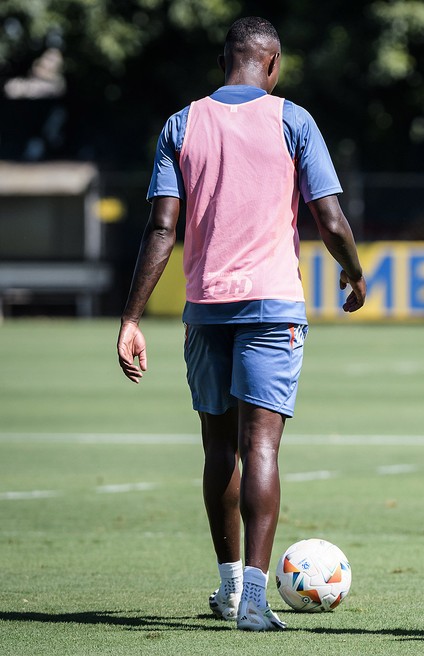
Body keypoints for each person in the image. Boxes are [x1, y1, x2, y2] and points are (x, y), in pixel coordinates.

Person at [117, 16, 366, 632]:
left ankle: (229, 587)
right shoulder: (292, 120)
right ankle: (254, 601)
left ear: (224, 58)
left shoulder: (182, 122)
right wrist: (355, 273)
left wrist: (131, 317)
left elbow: (162, 228)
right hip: (271, 305)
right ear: (273, 62)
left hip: (205, 307)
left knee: (217, 445)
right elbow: (330, 218)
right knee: (261, 445)